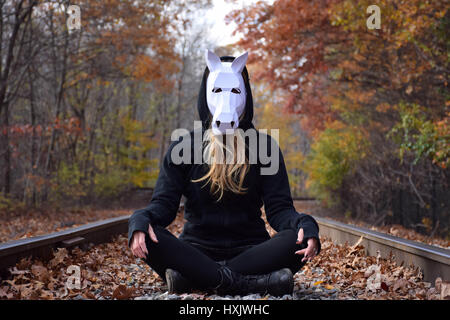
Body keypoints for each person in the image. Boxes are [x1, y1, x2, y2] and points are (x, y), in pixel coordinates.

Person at [128, 50, 321, 297]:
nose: (226, 98)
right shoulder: (183, 147)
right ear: (206, 93)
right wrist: (139, 221)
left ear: (246, 94)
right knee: (151, 236)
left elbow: (280, 211)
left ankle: (197, 279)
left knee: (300, 238)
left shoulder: (265, 147)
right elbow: (163, 207)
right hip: (195, 251)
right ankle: (251, 283)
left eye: (235, 91)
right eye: (218, 90)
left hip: (252, 252)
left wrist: (305, 224)